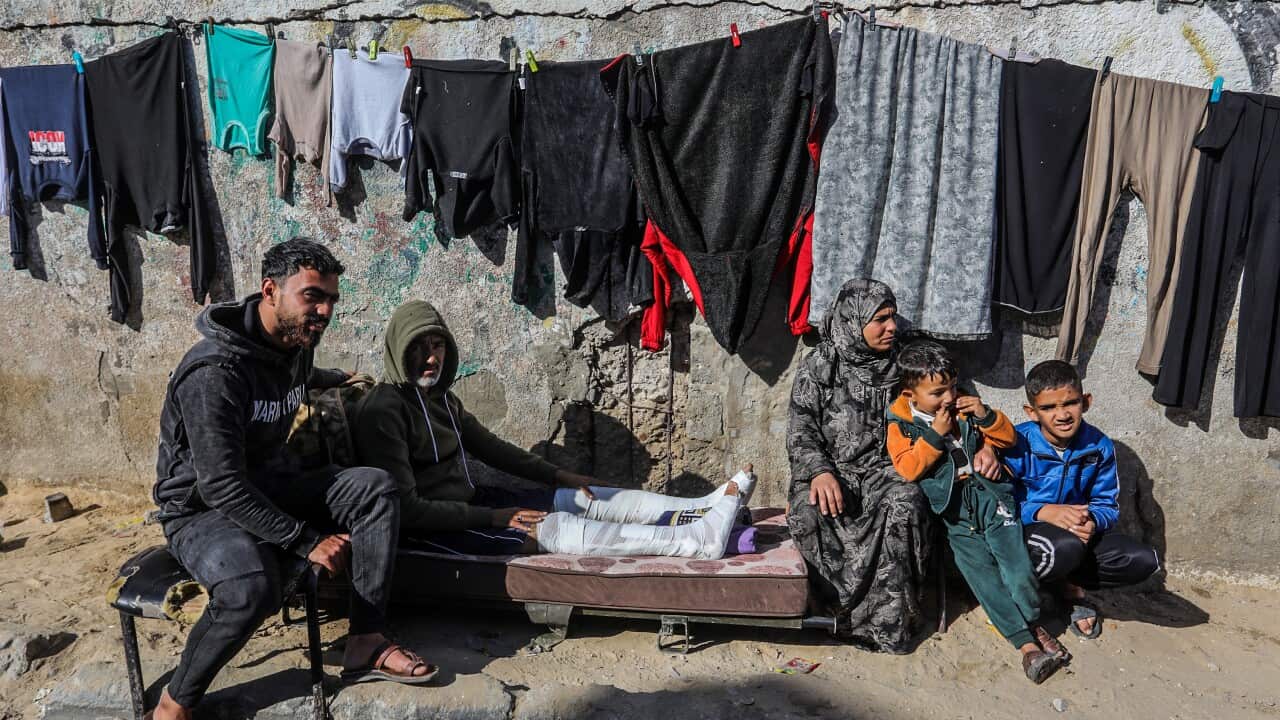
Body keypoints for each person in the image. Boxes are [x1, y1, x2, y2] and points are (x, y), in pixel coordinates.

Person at [150, 239, 433, 720]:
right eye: (311, 297)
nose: (323, 311)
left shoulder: (295, 343)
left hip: (266, 484)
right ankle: (174, 703)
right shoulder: (215, 372)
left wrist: (340, 376)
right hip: (202, 509)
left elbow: (300, 376)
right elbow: (219, 485)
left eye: (330, 300)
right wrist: (306, 540)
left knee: (374, 487)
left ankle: (365, 638)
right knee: (251, 589)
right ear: (270, 291)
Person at [353, 300, 757, 560]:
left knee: (582, 497)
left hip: (473, 502)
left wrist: (560, 476)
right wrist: (492, 518)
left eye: (437, 346)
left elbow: (492, 448)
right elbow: (407, 509)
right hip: (434, 529)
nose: (430, 357)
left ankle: (702, 509)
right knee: (552, 527)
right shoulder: (385, 411)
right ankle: (695, 542)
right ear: (398, 348)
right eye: (419, 347)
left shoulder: (441, 397)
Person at [787, 278, 986, 653]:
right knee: (808, 511)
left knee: (905, 503)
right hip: (835, 469)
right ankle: (831, 613)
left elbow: (949, 399)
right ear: (853, 321)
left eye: (893, 316)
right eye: (880, 319)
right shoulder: (820, 366)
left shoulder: (907, 363)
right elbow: (801, 429)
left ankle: (886, 625)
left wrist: (982, 440)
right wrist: (819, 471)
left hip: (891, 468)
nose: (891, 326)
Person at [885, 340, 1067, 683]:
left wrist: (984, 417)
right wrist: (935, 436)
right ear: (912, 394)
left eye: (952, 387)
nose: (949, 397)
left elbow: (1009, 439)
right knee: (985, 580)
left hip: (992, 500)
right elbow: (909, 469)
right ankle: (1027, 646)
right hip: (955, 515)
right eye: (938, 392)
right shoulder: (902, 424)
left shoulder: (966, 407)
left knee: (1018, 569)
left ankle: (1031, 621)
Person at [1004, 360, 1161, 639]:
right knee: (1062, 548)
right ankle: (1026, 595)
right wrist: (1040, 511)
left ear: (1085, 402)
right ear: (1032, 412)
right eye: (1049, 408)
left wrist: (1091, 521)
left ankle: (1065, 586)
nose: (1062, 415)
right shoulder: (1017, 444)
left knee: (1142, 559)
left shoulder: (1098, 445)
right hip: (1026, 534)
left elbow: (1107, 505)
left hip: (1075, 536)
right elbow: (996, 505)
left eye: (1070, 403)